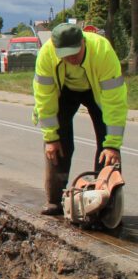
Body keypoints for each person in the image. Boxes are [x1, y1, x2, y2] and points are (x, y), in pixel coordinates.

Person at [32, 23, 127, 215]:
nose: (71, 58)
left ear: (83, 41)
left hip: (97, 91)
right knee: (58, 145)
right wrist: (51, 137)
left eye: (75, 52)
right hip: (64, 92)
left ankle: (105, 202)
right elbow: (44, 98)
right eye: (65, 55)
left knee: (107, 148)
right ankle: (54, 200)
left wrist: (113, 144)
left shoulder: (102, 51)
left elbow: (114, 101)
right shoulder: (47, 54)